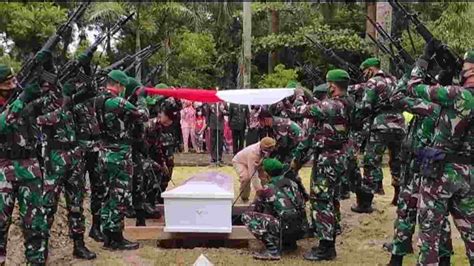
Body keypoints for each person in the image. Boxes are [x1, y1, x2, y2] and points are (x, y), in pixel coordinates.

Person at [390, 44, 473, 266]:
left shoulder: (459, 95)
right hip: (469, 173)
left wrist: (422, 62)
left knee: (429, 231)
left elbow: (413, 87)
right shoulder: (460, 96)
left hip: (442, 173)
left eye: (465, 66)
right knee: (470, 231)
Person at [291, 69, 353, 261]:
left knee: (321, 199)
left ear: (333, 85)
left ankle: (326, 247)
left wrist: (299, 97)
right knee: (330, 199)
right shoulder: (347, 103)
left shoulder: (334, 105)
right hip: (337, 157)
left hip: (329, 158)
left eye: (329, 84)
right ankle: (329, 237)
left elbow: (300, 111)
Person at [94, 70, 147, 250]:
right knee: (120, 195)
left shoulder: (98, 99)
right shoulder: (115, 101)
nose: (123, 90)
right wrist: (141, 99)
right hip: (119, 154)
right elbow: (142, 115)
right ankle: (116, 237)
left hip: (104, 152)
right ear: (117, 84)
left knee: (108, 195)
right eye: (122, 86)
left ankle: (108, 234)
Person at [0, 64, 48, 264]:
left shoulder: (25, 98)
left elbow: (53, 103)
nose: (14, 85)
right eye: (8, 83)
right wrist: (21, 99)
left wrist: (48, 77)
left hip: (30, 167)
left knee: (35, 224)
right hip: (4, 169)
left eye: (14, 81)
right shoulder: (18, 100)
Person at [352, 58, 405, 213]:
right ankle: (399, 197)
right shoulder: (395, 80)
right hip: (400, 125)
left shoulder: (373, 82)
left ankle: (366, 203)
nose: (364, 75)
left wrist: (357, 117)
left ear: (371, 69)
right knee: (397, 162)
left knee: (371, 161)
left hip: (380, 125)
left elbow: (366, 106)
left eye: (364, 71)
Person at [242, 158, 306, 261]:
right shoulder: (291, 183)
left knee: (247, 216)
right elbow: (304, 200)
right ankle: (289, 243)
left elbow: (256, 209)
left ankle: (272, 250)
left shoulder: (268, 189)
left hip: (284, 228)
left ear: (267, 173)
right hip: (301, 228)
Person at [232, 137, 276, 202]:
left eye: (272, 147)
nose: (271, 149)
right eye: (269, 148)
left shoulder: (268, 149)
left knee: (265, 178)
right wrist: (258, 189)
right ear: (263, 147)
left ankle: (261, 198)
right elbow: (253, 174)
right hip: (240, 162)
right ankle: (244, 197)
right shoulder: (253, 153)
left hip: (258, 161)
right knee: (246, 178)